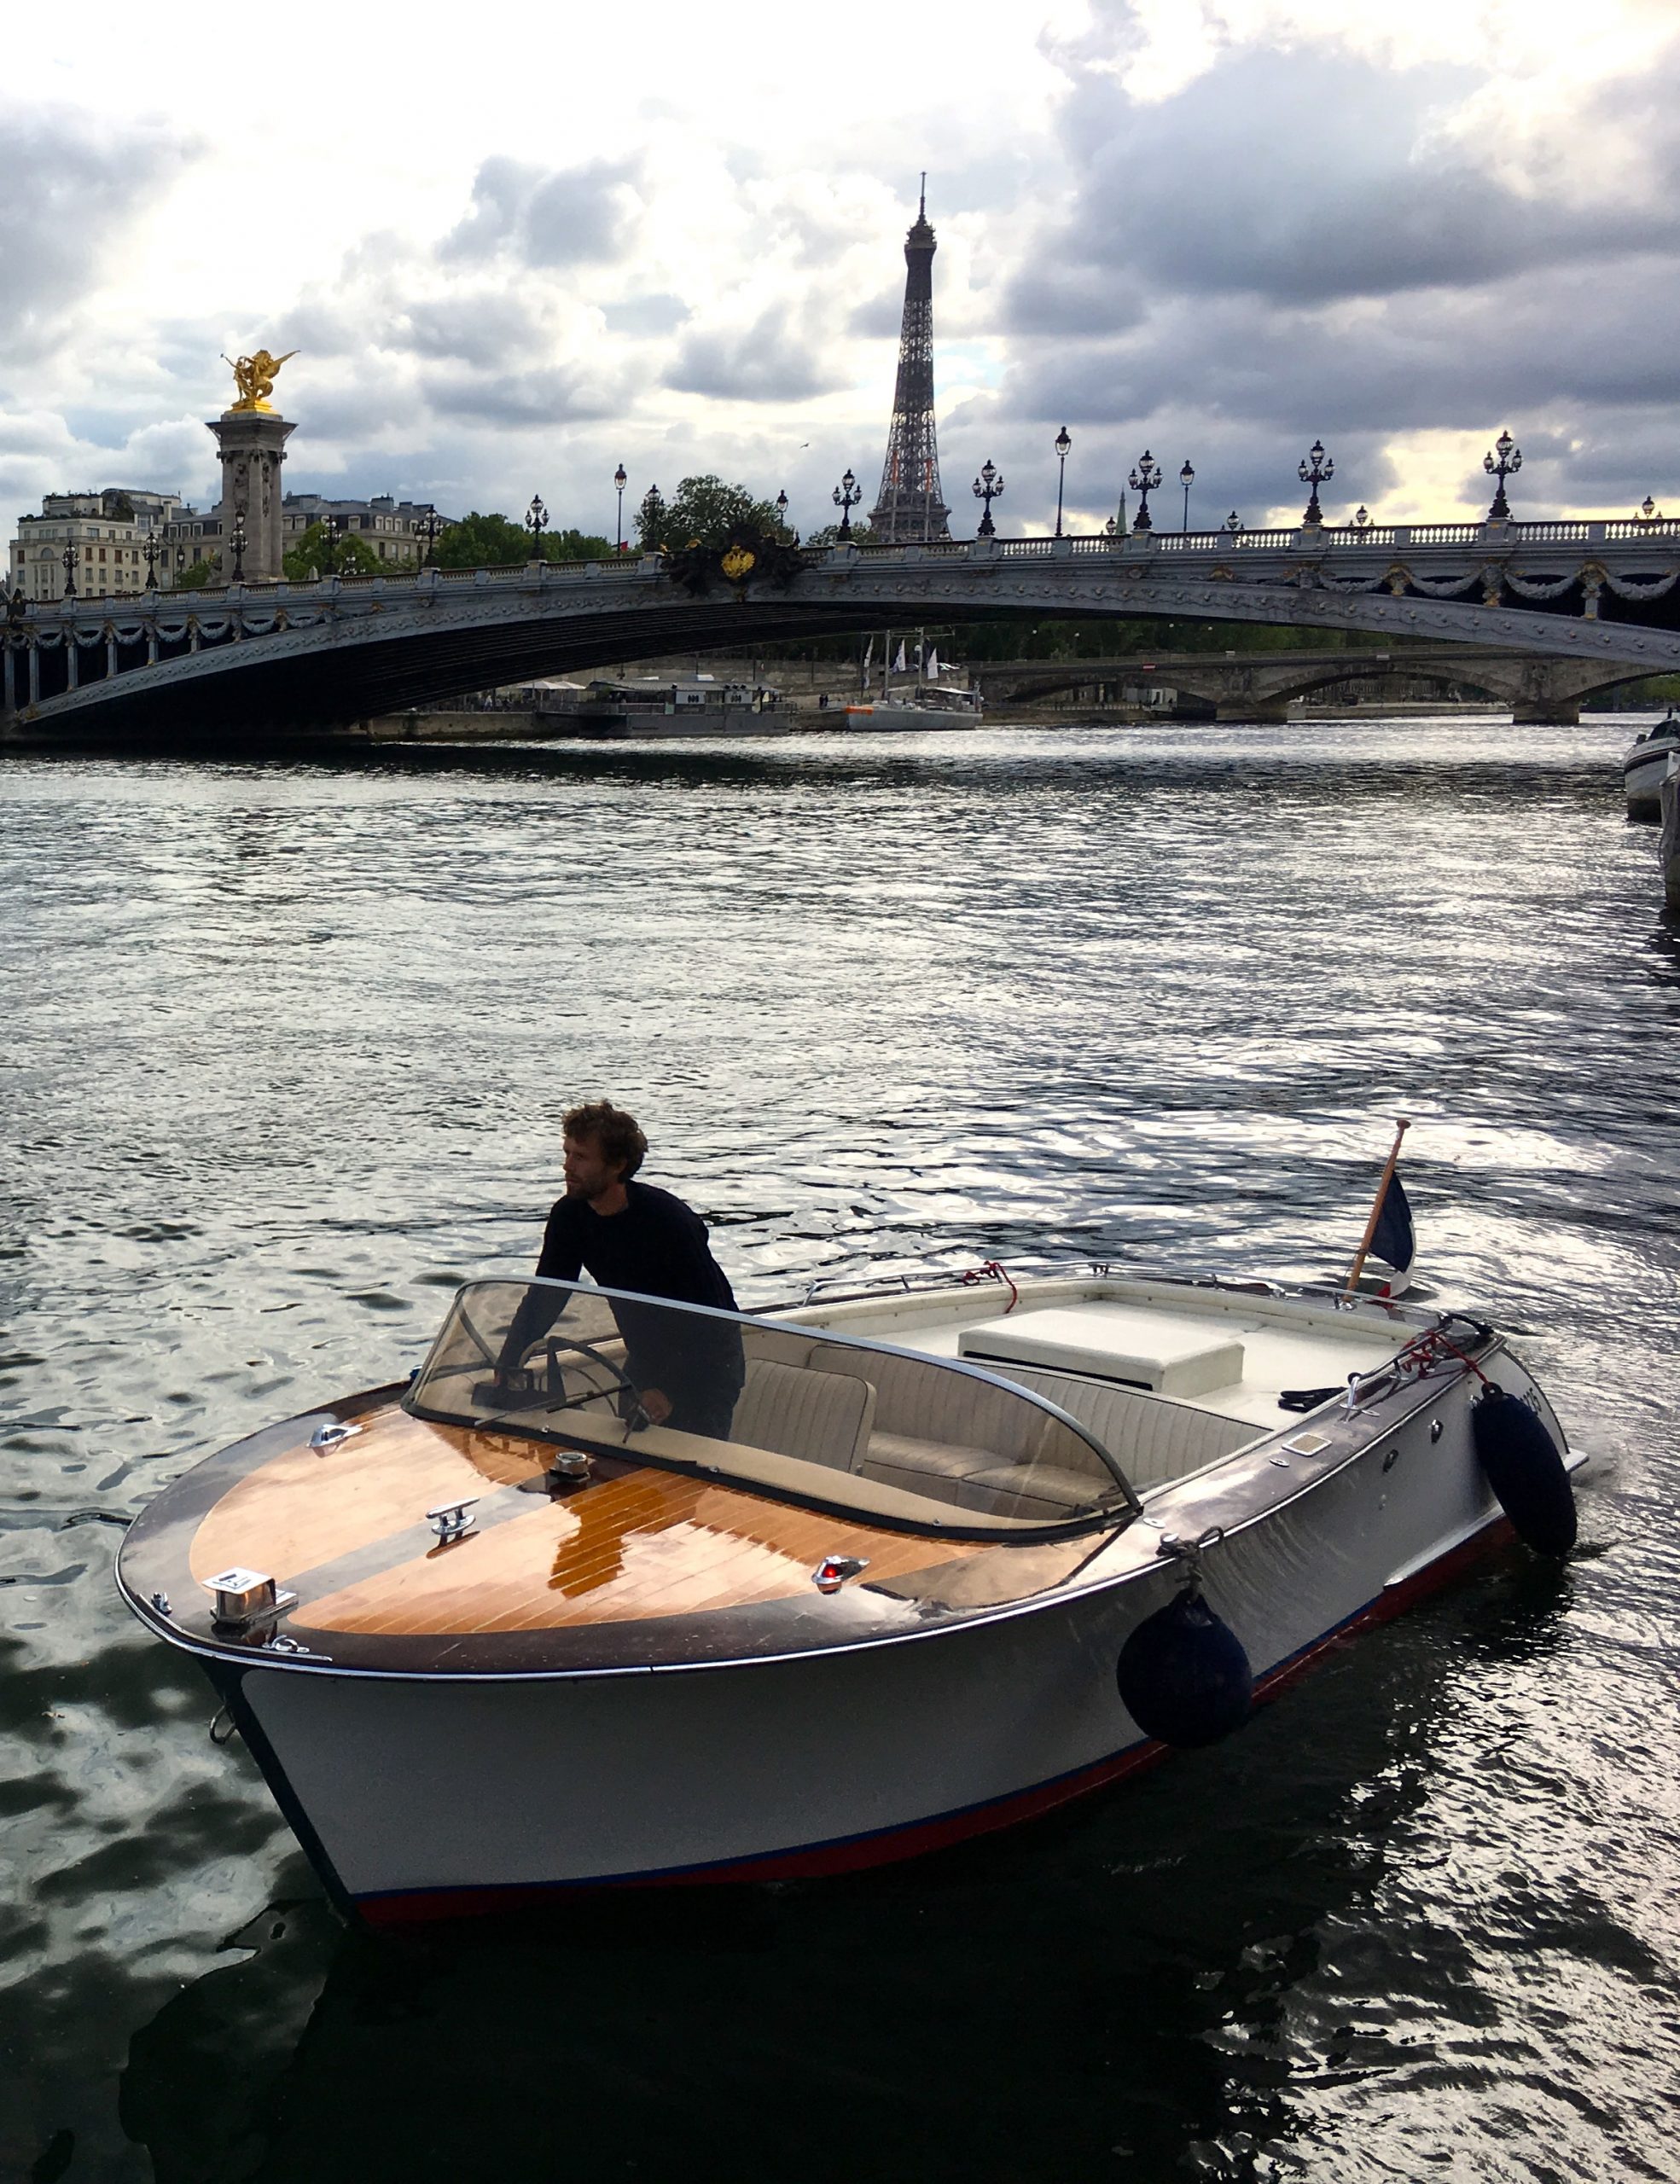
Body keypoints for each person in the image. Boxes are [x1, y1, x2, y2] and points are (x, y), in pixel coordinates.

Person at [498, 1101, 745, 1440]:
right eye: (567, 1153)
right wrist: (508, 1360)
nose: (567, 1166)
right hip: (644, 1359)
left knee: (687, 1478)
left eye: (581, 1157)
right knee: (624, 1463)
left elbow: (712, 1319)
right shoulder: (570, 1216)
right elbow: (547, 1294)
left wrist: (669, 1391)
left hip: (707, 1369)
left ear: (617, 1165)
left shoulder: (669, 1222)